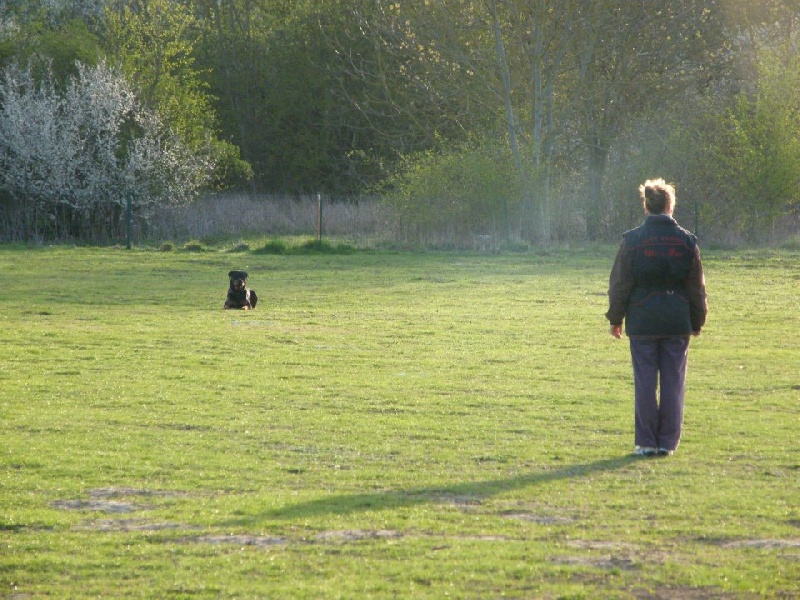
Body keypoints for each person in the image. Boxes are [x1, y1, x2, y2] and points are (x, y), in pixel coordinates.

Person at [606, 179, 707, 457]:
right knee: (674, 382)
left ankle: (645, 443)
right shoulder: (687, 242)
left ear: (646, 206)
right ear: (670, 206)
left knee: (645, 384)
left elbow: (620, 284)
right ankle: (667, 443)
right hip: (677, 321)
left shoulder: (632, 241)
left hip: (642, 321)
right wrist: (697, 321)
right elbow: (696, 288)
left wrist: (616, 318)